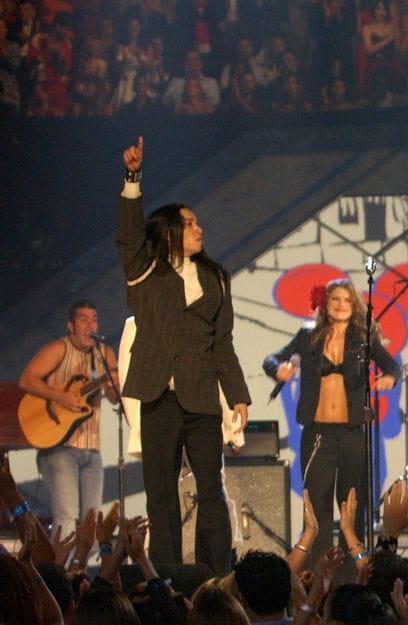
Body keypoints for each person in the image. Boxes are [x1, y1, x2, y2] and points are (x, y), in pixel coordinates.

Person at [115, 136, 251, 576]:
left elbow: (223, 342)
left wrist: (237, 395)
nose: (199, 228)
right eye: (190, 223)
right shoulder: (146, 270)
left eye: (197, 223)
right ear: (170, 230)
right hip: (157, 395)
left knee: (211, 487)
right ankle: (168, 576)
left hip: (199, 397)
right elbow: (128, 236)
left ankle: (214, 575)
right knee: (161, 491)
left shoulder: (215, 278)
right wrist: (132, 179)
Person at [263, 278, 398, 567]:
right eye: (335, 299)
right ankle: (317, 576)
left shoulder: (363, 338)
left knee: (352, 507)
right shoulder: (307, 335)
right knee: (317, 509)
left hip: (351, 435)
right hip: (318, 435)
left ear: (355, 305)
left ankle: (351, 576)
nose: (341, 305)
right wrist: (278, 370)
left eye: (347, 300)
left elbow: (392, 364)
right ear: (326, 303)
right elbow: (271, 358)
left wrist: (390, 377)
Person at [18, 300, 119, 539]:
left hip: (92, 450)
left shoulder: (104, 354)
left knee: (91, 523)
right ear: (70, 325)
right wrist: (59, 397)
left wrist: (113, 385)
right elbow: (27, 379)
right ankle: (60, 575)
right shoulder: (58, 349)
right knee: (66, 518)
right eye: (83, 319)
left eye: (94, 319)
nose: (90, 324)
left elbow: (115, 398)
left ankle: (81, 574)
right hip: (59, 448)